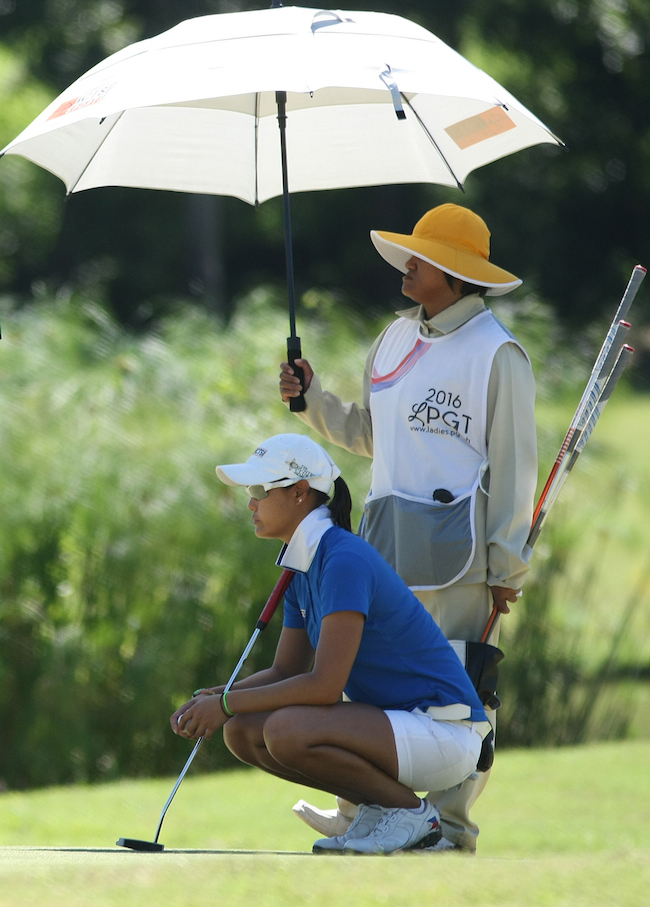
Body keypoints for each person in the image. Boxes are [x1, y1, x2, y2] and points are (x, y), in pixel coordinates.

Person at [279, 203, 538, 852]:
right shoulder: (393, 339)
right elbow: (370, 433)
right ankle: (366, 810)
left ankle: (450, 829)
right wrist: (311, 400)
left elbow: (513, 468)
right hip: (382, 542)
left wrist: (506, 567)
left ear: (452, 273)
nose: (407, 264)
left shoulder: (498, 353)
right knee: (366, 678)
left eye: (420, 257)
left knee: (458, 698)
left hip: (463, 556)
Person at [170, 432, 492, 855]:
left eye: (259, 490)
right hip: (398, 726)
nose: (250, 503)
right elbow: (286, 672)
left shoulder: (342, 559)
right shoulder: (300, 567)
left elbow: (324, 686)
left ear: (301, 492)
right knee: (244, 732)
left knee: (285, 729)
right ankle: (380, 809)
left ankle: (412, 815)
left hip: (445, 730)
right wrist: (218, 698)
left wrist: (226, 703)